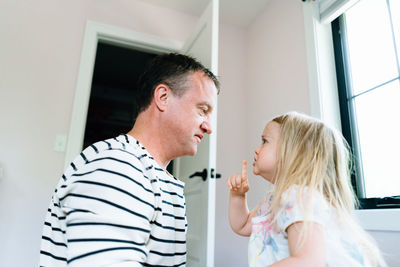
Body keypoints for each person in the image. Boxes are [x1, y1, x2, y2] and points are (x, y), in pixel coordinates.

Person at [40, 53, 219, 266]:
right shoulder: (117, 167)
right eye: (202, 110)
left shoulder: (149, 174)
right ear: (163, 97)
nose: (209, 127)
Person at [227, 112, 387, 267]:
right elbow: (243, 225)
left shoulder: (299, 197)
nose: (257, 149)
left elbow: (308, 262)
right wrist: (237, 196)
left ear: (293, 152)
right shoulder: (274, 199)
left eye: (264, 141)